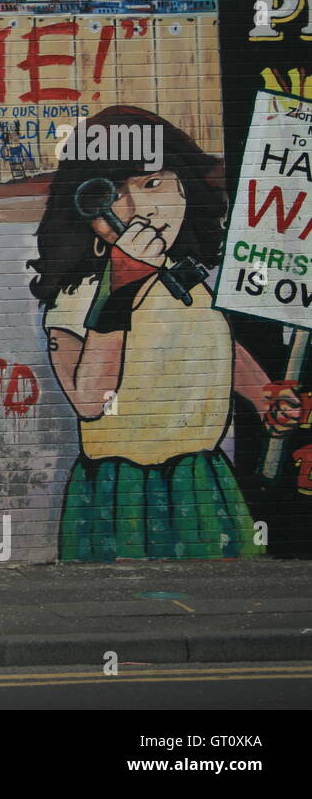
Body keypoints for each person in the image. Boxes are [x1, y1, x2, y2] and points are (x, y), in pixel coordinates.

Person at [28, 105, 301, 561]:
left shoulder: (185, 281)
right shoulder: (79, 297)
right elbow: (92, 401)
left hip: (204, 478)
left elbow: (215, 343)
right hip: (126, 489)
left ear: (185, 187)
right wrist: (120, 290)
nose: (139, 210)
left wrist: (264, 396)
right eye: (113, 195)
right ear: (88, 212)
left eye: (154, 183)